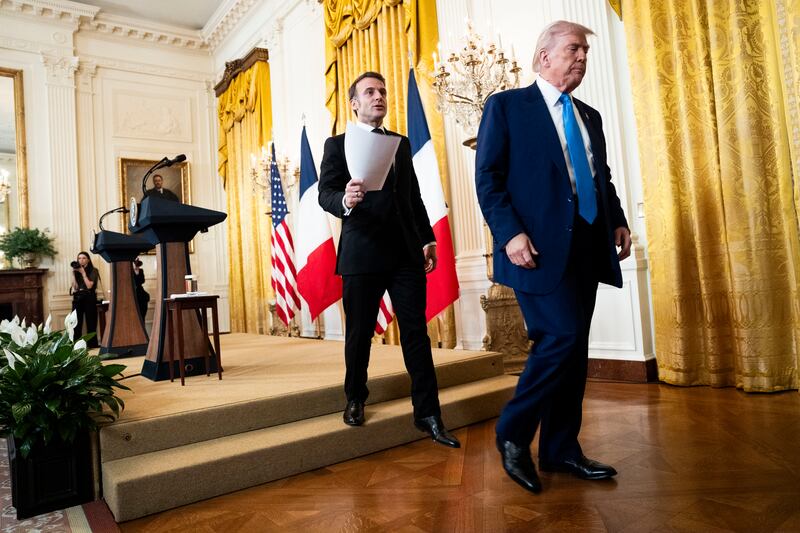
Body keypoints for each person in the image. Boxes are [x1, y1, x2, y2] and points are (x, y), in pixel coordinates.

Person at [475, 20, 632, 493]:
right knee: (559, 338)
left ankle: (562, 449)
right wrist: (510, 235)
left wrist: (618, 219)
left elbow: (599, 178)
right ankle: (512, 433)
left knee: (573, 350)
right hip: (534, 250)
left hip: (586, 244)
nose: (582, 57)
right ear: (544, 56)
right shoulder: (506, 107)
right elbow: (489, 179)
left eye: (585, 51)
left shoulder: (589, 115)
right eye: (573, 49)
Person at [318, 71, 460, 448]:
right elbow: (325, 194)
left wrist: (427, 238)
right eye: (369, 92)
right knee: (359, 334)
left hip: (404, 253)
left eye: (382, 91)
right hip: (361, 253)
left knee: (416, 332)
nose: (378, 97)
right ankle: (355, 399)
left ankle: (428, 413)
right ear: (354, 103)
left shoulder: (400, 143)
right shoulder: (337, 145)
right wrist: (344, 201)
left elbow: (412, 197)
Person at [70, 251, 102, 348]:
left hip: (89, 297)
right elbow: (75, 287)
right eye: (79, 258)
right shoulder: (77, 271)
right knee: (76, 324)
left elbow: (89, 286)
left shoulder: (94, 270)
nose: (81, 260)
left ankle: (92, 345)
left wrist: (83, 273)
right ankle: (77, 346)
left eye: (84, 258)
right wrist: (73, 274)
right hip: (78, 297)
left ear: (88, 259)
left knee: (91, 323)